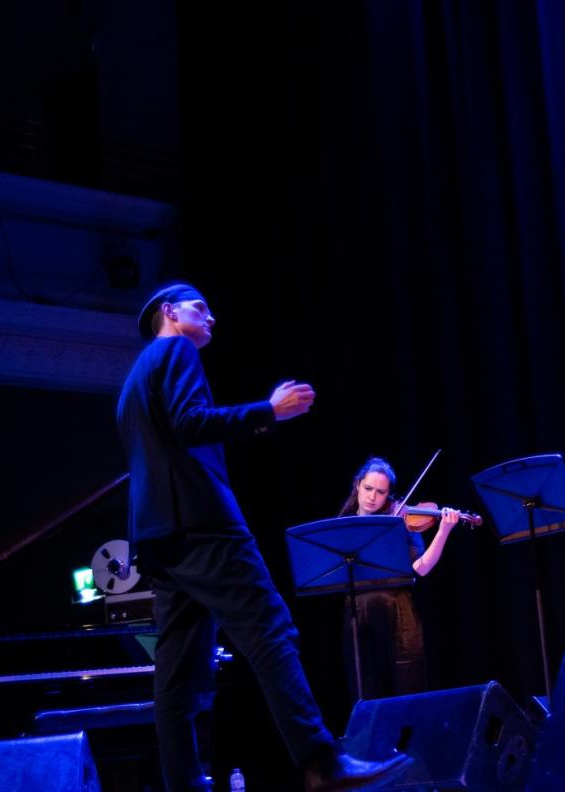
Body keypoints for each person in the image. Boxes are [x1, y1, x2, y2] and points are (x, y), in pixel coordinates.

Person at [117, 283, 406, 792]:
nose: (211, 317)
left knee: (178, 670)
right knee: (272, 630)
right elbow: (190, 423)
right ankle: (321, 762)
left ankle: (184, 784)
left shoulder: (132, 382)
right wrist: (269, 410)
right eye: (200, 308)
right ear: (169, 312)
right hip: (202, 524)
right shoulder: (177, 350)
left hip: (158, 536)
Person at [336, 457, 460, 699]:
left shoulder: (401, 520)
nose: (372, 497)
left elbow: (422, 568)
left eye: (381, 492)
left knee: (410, 689)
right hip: (358, 613)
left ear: (388, 494)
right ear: (358, 485)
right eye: (368, 488)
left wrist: (444, 530)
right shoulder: (344, 526)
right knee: (364, 693)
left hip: (399, 610)